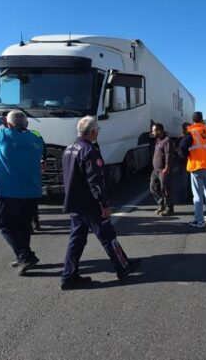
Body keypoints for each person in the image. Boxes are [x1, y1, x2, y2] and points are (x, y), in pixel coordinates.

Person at [59, 116, 141, 290]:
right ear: (93, 132)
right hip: (90, 204)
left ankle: (68, 276)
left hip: (75, 203)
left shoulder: (68, 149)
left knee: (76, 240)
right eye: (97, 131)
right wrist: (104, 204)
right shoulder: (89, 150)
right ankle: (123, 267)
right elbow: (95, 182)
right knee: (108, 236)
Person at [0, 110, 44, 275]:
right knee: (23, 226)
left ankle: (25, 256)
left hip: (9, 191)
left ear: (9, 124)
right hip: (31, 190)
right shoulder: (36, 139)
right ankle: (22, 254)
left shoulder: (3, 136)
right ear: (27, 124)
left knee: (5, 225)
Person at [179, 112, 206, 227]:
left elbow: (182, 146)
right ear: (202, 120)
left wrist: (187, 156)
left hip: (196, 166)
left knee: (197, 195)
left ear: (193, 120)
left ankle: (199, 220)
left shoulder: (192, 132)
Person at [149, 123, 174, 217]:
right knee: (153, 187)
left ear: (159, 130)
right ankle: (161, 204)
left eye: (153, 130)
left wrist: (167, 167)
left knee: (165, 189)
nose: (152, 132)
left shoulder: (167, 140)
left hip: (163, 170)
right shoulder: (158, 140)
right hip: (156, 169)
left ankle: (169, 208)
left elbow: (168, 154)